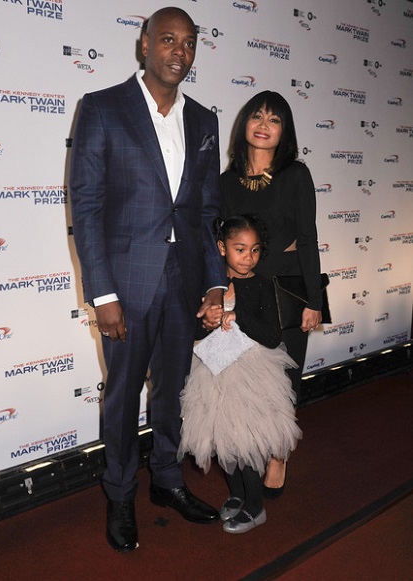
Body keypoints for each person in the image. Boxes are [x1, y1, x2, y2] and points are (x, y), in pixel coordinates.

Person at [69, 7, 228, 552]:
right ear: (144, 45)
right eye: (167, 40)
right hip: (126, 289)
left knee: (173, 393)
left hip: (184, 286)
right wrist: (103, 293)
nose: (178, 52)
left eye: (188, 43)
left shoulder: (204, 121)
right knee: (119, 398)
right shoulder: (103, 108)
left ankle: (167, 480)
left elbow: (207, 213)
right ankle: (118, 493)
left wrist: (214, 282)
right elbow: (86, 208)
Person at [220, 91, 322, 498]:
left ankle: (278, 454)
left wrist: (314, 300)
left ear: (285, 130)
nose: (264, 124)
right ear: (244, 123)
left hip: (290, 293)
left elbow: (309, 240)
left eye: (274, 119)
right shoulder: (227, 182)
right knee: (249, 380)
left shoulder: (296, 175)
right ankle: (250, 445)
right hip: (242, 293)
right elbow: (221, 240)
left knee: (285, 379)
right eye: (257, 116)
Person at [178, 215, 301, 534]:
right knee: (222, 441)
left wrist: (239, 314)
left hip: (251, 374)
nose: (248, 257)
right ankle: (237, 494)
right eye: (240, 249)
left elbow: (273, 336)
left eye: (255, 250)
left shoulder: (261, 284)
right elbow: (193, 330)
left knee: (245, 443)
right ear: (221, 248)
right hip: (213, 372)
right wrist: (208, 321)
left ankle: (256, 506)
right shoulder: (208, 286)